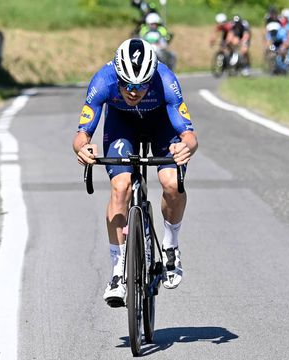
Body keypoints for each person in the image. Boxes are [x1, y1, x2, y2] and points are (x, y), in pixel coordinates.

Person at [73, 38, 198, 307]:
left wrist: (186, 148)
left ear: (151, 79)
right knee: (121, 187)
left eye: (140, 86)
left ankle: (171, 246)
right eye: (127, 84)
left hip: (161, 125)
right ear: (117, 74)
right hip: (122, 127)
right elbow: (82, 133)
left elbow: (189, 135)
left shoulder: (166, 80)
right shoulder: (102, 81)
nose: (133, 92)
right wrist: (83, 148)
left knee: (171, 182)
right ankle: (118, 273)